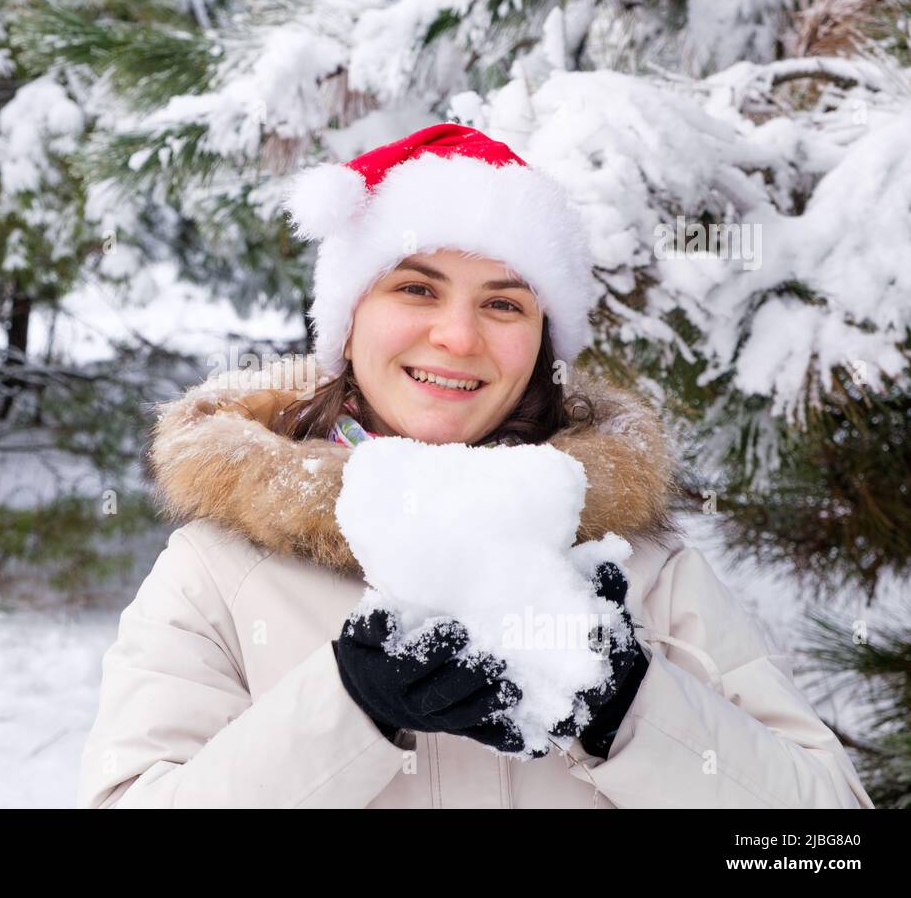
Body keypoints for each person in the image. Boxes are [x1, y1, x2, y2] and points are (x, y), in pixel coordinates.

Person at [75, 123, 874, 808]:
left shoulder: (646, 569)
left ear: (540, 345)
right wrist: (349, 707)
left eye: (503, 302)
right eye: (417, 289)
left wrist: (630, 709)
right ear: (348, 323)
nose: (458, 338)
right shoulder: (221, 572)